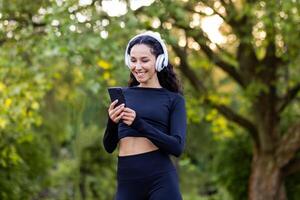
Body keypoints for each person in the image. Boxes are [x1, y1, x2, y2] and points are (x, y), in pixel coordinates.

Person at [103, 30, 187, 200]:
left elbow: (177, 147)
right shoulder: (123, 95)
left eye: (144, 60)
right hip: (127, 181)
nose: (138, 66)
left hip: (161, 180)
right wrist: (112, 121)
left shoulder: (174, 100)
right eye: (133, 60)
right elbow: (109, 146)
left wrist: (138, 123)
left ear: (159, 61)